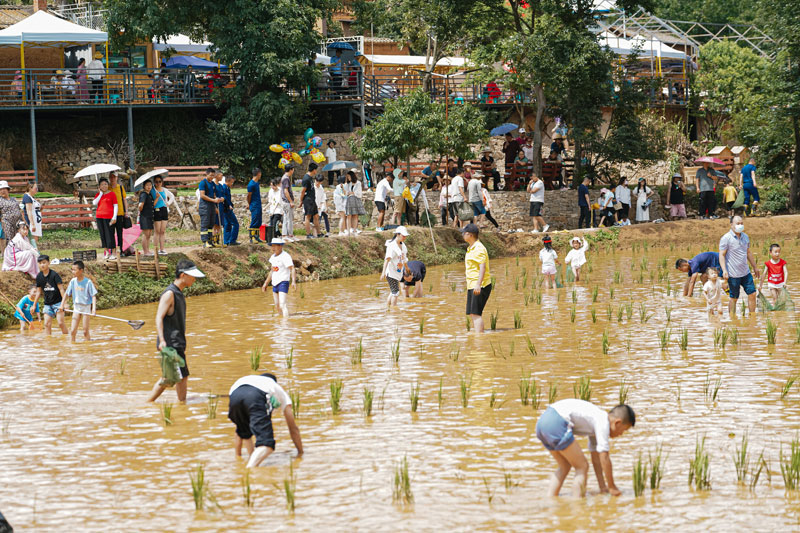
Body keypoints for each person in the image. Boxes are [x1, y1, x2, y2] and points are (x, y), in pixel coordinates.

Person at [535, 400, 635, 497]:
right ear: (617, 423)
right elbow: (604, 458)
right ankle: (578, 505)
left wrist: (603, 487)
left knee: (564, 466)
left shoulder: (596, 421)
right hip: (557, 422)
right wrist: (612, 486)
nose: (621, 434)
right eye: (624, 430)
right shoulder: (603, 422)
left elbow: (596, 459)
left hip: (542, 424)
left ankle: (551, 499)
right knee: (582, 466)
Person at [148, 259, 205, 402]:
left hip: (177, 342)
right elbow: (158, 318)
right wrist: (162, 341)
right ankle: (147, 403)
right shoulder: (169, 294)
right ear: (183, 275)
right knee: (168, 378)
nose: (194, 279)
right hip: (169, 344)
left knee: (182, 376)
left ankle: (182, 404)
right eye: (192, 275)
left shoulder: (179, 293)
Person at [228, 372, 303, 468]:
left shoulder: (249, 379)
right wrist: (300, 453)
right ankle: (249, 469)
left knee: (245, 432)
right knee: (267, 445)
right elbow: (293, 428)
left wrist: (238, 458)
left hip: (234, 395)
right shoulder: (275, 387)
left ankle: (249, 464)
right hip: (255, 396)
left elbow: (239, 432)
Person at [719, 216, 759, 316]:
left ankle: (752, 317)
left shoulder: (745, 237)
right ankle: (732, 318)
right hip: (733, 274)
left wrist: (755, 267)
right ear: (731, 225)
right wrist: (724, 270)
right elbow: (722, 255)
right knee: (734, 298)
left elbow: (748, 252)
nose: (740, 225)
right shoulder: (726, 238)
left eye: (741, 223)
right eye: (737, 223)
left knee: (752, 294)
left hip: (746, 272)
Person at [463, 223, 492, 333]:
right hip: (472, 284)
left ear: (470, 235)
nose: (462, 236)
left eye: (464, 233)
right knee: (472, 313)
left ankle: (479, 340)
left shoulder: (479, 248)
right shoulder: (470, 248)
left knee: (476, 313)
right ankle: (477, 335)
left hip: (480, 285)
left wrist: (478, 285)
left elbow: (482, 268)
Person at [33, 255, 67, 336]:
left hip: (58, 303)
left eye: (44, 263)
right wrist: (34, 305)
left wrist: (64, 303)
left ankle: (67, 338)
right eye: (40, 263)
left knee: (61, 323)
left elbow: (61, 289)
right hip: (47, 304)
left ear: (48, 263)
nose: (42, 265)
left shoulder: (54, 275)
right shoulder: (39, 276)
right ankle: (48, 343)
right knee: (47, 324)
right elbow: (38, 292)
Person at [64, 260, 97, 342]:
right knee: (72, 331)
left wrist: (93, 310)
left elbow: (93, 296)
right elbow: (67, 293)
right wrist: (62, 304)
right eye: (72, 269)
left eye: (74, 270)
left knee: (85, 331)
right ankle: (73, 347)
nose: (73, 272)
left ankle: (88, 347)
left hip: (86, 307)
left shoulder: (88, 282)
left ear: (81, 270)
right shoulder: (73, 281)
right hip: (76, 307)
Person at [261, 238, 296, 318]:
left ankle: (285, 324)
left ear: (280, 246)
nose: (273, 248)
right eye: (272, 246)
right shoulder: (273, 257)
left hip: (283, 282)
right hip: (275, 283)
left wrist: (293, 281)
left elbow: (292, 268)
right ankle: (282, 321)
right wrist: (265, 283)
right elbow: (272, 271)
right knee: (277, 306)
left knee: (282, 304)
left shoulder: (285, 256)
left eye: (274, 246)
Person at [380, 226, 409, 306]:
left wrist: (407, 269)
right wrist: (383, 272)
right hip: (391, 272)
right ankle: (394, 311)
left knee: (393, 292)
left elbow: (404, 259)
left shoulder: (403, 245)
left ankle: (388, 307)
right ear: (398, 234)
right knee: (396, 292)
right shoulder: (392, 246)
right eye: (403, 236)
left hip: (398, 272)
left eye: (405, 236)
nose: (405, 237)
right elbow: (387, 260)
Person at [92, 177, 118, 260]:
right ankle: (106, 251)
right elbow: (94, 203)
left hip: (109, 217)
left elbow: (115, 206)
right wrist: (100, 194)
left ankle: (113, 252)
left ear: (108, 185)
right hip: (99, 217)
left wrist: (114, 217)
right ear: (99, 186)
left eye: (105, 184)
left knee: (110, 234)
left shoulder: (112, 194)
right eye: (102, 184)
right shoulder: (98, 195)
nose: (104, 186)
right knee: (103, 235)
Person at [198, 168, 222, 247]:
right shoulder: (203, 183)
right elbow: (202, 195)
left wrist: (217, 199)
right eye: (210, 175)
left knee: (211, 224)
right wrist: (213, 200)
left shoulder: (212, 184)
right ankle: (205, 241)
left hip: (212, 205)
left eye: (213, 176)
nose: (212, 177)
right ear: (206, 174)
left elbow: (214, 194)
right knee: (205, 223)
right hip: (205, 206)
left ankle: (210, 240)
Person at [108, 172, 128, 255]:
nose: (112, 179)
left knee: (120, 233)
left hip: (119, 213)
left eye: (114, 177)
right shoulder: (107, 188)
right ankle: (112, 250)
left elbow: (124, 199)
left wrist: (126, 211)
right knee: (111, 233)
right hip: (110, 214)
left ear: (117, 178)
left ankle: (120, 250)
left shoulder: (120, 187)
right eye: (111, 177)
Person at [300, 162, 321, 239]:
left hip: (312, 199)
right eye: (316, 170)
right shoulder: (306, 178)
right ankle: (308, 234)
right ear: (314, 170)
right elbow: (303, 191)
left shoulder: (310, 177)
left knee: (316, 216)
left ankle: (318, 233)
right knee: (308, 216)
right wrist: (301, 201)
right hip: (308, 200)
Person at [0, 180, 22, 252]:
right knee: (9, 238)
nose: (2, 191)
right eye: (0, 190)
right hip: (7, 222)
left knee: (18, 237)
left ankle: (18, 252)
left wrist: (24, 221)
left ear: (8, 190)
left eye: (4, 189)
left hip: (17, 221)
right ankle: (10, 254)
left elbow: (19, 210)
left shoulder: (14, 199)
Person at [151, 175, 170, 255]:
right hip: (157, 210)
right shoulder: (152, 190)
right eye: (156, 182)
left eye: (160, 181)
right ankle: (156, 249)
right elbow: (151, 202)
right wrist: (157, 198)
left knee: (162, 231)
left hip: (164, 209)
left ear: (162, 182)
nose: (158, 183)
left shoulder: (164, 189)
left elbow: (171, 196)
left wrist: (168, 203)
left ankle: (162, 249)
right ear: (154, 182)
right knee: (157, 231)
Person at [344, 170, 366, 235]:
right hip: (349, 200)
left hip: (356, 200)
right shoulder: (348, 184)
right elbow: (346, 192)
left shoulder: (358, 183)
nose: (348, 178)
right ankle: (348, 230)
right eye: (347, 177)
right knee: (349, 215)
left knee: (355, 215)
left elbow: (359, 193)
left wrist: (352, 193)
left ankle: (354, 230)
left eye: (349, 177)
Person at [21, 181, 42, 249]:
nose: (37, 190)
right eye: (35, 188)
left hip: (37, 221)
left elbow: (35, 210)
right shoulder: (27, 197)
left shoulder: (32, 197)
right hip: (32, 222)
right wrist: (32, 224)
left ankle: (34, 252)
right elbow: (28, 211)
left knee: (35, 239)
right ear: (30, 188)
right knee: (32, 239)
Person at [221, 175, 240, 246]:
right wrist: (229, 205)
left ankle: (226, 241)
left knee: (227, 225)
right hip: (227, 209)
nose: (232, 184)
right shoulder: (224, 188)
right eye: (232, 182)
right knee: (235, 224)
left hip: (227, 208)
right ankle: (232, 240)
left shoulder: (227, 188)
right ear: (228, 181)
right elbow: (225, 198)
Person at [138, 180, 155, 256]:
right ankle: (145, 251)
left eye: (150, 185)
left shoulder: (150, 194)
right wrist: (141, 210)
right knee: (146, 234)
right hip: (145, 217)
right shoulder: (144, 194)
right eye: (147, 185)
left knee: (149, 234)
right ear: (144, 186)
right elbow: (140, 205)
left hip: (150, 216)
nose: (149, 186)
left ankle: (148, 250)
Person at [247, 168, 264, 243]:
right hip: (254, 205)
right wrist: (249, 204)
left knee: (258, 221)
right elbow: (249, 195)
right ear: (258, 174)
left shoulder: (257, 183)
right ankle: (252, 237)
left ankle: (257, 237)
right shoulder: (251, 184)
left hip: (258, 204)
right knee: (254, 220)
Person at [280, 164, 296, 242]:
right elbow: (286, 191)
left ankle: (286, 235)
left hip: (285, 201)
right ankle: (289, 235)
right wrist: (291, 201)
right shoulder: (286, 178)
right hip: (287, 202)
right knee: (289, 219)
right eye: (293, 169)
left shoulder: (284, 177)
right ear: (290, 170)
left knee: (286, 218)